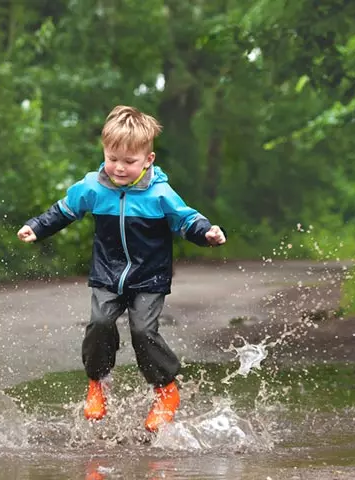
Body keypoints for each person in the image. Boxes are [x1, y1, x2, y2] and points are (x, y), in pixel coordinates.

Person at [17, 105, 226, 432]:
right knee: (100, 323)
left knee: (143, 331)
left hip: (149, 278)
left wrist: (207, 233)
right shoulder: (93, 187)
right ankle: (97, 384)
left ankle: (166, 391)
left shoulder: (159, 194)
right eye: (113, 158)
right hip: (107, 274)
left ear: (148, 160)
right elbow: (65, 209)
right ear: (105, 152)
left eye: (129, 161)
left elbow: (186, 220)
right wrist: (37, 227)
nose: (119, 167)